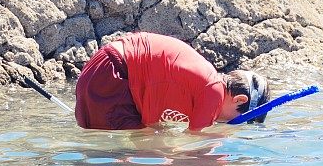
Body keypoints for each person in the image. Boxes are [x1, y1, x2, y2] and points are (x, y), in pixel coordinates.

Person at [75, 31, 270, 131]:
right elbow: (197, 148)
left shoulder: (202, 84)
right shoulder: (214, 91)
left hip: (105, 69)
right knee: (136, 159)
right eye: (232, 121)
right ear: (239, 100)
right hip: (114, 74)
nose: (224, 123)